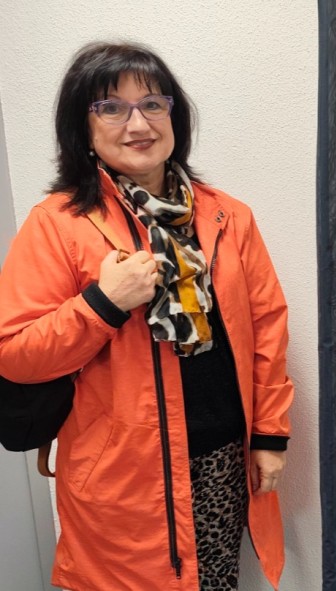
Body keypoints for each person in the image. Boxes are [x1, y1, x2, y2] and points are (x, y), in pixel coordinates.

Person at [0, 42, 294, 591]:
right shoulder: (58, 224)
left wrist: (270, 435)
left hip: (221, 460)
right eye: (111, 107)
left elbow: (267, 333)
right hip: (122, 475)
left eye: (153, 104)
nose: (138, 123)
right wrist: (103, 304)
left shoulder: (227, 216)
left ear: (174, 116)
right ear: (82, 127)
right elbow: (15, 355)